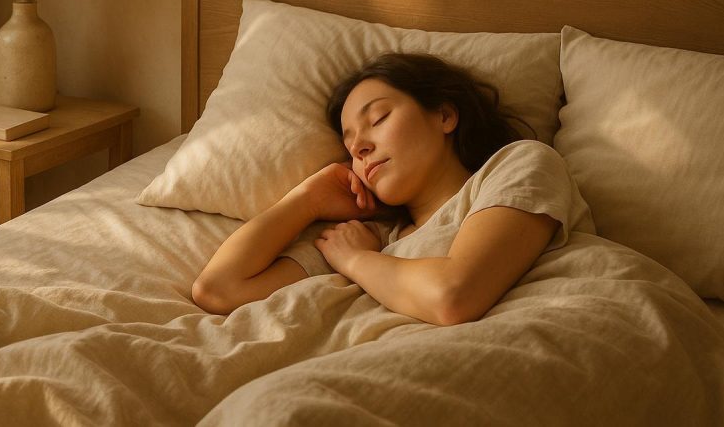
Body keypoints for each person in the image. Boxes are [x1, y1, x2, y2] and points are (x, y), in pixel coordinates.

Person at [191, 52, 593, 325]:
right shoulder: (373, 237)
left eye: (378, 118)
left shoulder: (520, 165)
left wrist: (355, 263)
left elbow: (452, 296)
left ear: (445, 115)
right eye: (349, 144)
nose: (359, 148)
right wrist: (308, 199)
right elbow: (217, 290)